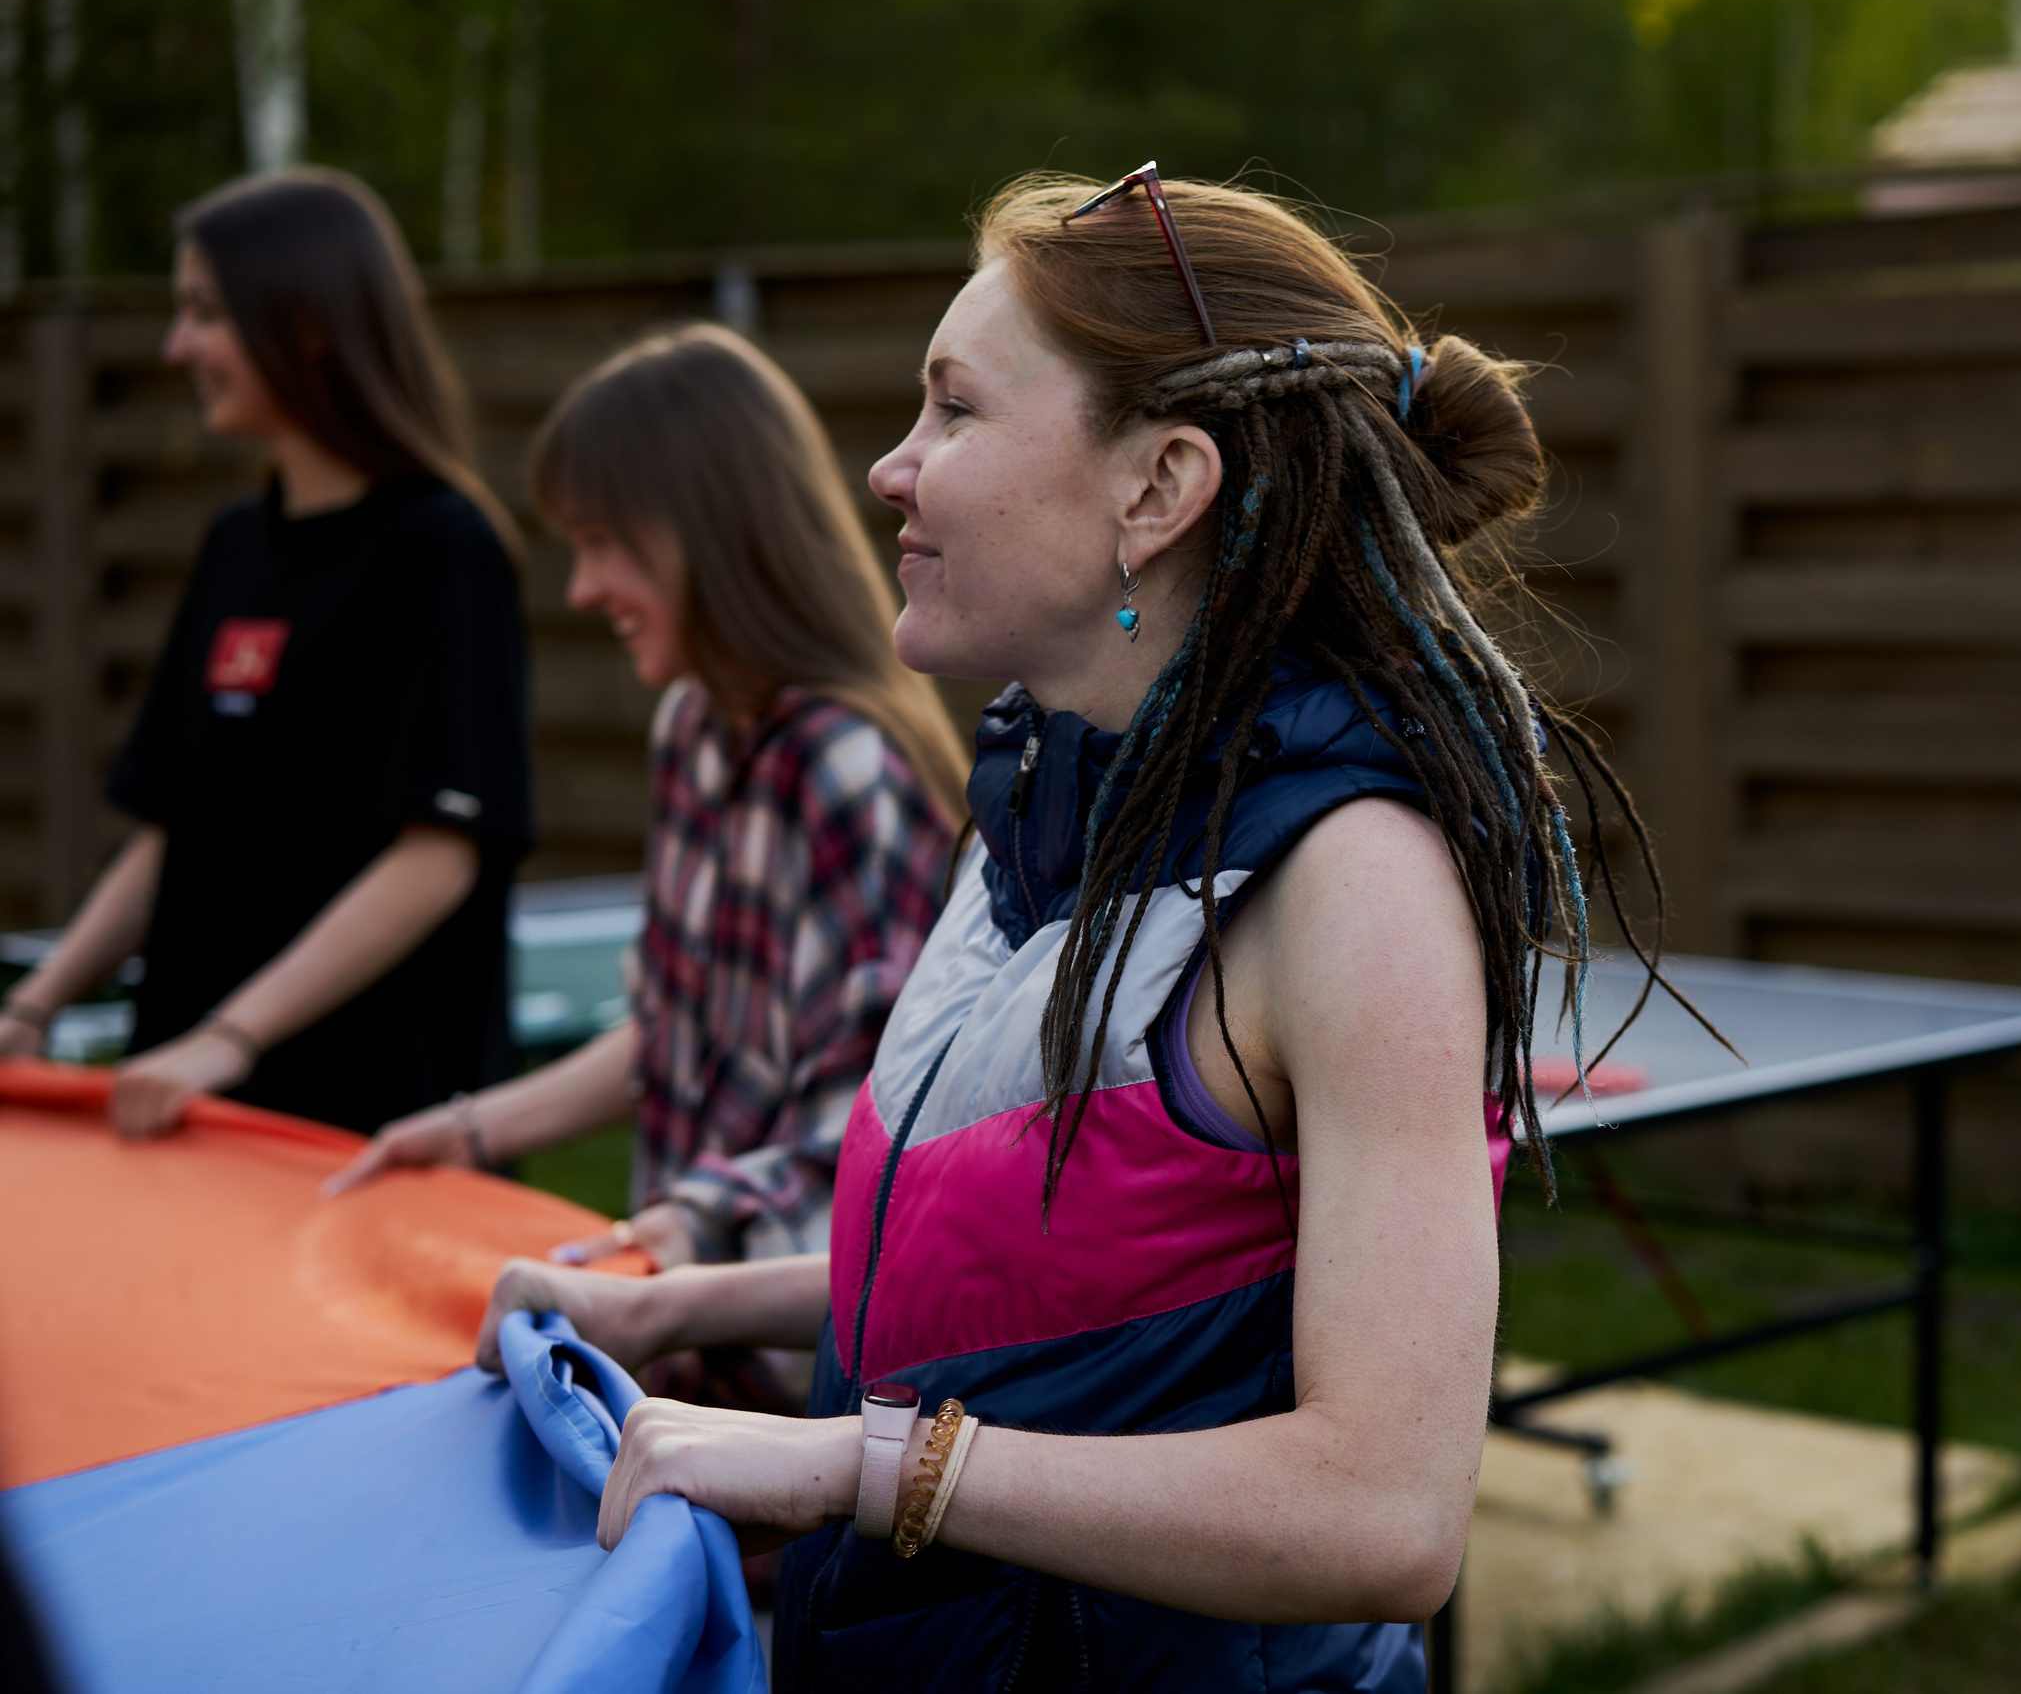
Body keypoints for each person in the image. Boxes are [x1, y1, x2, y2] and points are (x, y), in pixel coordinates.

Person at [472, 168, 1681, 1690]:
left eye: (956, 411)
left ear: (1158, 489)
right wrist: (667, 1303)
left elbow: (1385, 1511)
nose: (890, 471)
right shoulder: (1040, 808)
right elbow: (1014, 1286)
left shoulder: (1353, 883)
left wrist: (860, 1465)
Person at [329, 328, 967, 1380]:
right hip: (674, 1339)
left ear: (706, 534)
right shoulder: (691, 729)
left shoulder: (847, 770)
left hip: (789, 1378)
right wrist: (466, 1128)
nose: (581, 589)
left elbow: (870, 1135)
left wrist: (669, 1239)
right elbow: (677, 1030)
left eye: (601, 542)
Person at [0, 169, 533, 1137]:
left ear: (306, 325)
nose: (176, 348)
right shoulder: (234, 546)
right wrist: (33, 1007)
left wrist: (230, 1036)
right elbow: (171, 828)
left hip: (365, 1128)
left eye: (203, 312)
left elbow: (438, 854)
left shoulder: (443, 549)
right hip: (189, 1106)